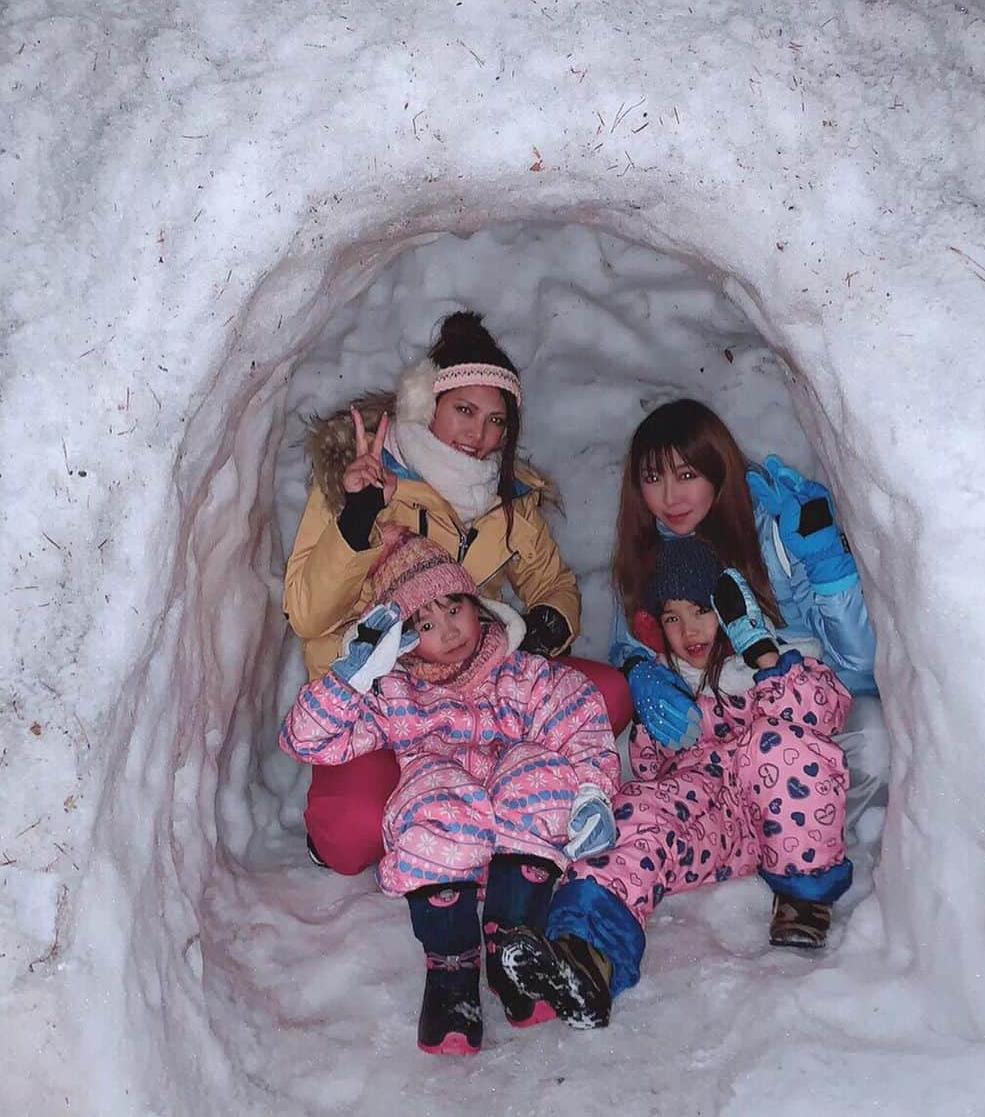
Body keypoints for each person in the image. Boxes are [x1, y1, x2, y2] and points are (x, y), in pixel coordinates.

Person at [283, 310, 632, 874]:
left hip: (475, 697)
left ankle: (490, 804)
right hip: (381, 704)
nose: (479, 436)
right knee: (348, 842)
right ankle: (422, 798)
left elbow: (553, 581)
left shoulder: (505, 497)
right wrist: (358, 521)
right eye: (464, 411)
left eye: (496, 420)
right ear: (426, 405)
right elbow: (306, 614)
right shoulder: (363, 477)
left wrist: (548, 622)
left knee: (608, 693)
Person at [279, 534, 621, 1054]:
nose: (450, 630)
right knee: (434, 792)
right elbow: (306, 740)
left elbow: (579, 720)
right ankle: (451, 975)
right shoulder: (395, 693)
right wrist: (349, 680)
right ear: (405, 639)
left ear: (476, 605)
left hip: (519, 845)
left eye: (454, 607)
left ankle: (515, 952)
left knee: (539, 768)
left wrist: (592, 792)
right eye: (425, 624)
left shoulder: (520, 670)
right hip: (444, 854)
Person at [498, 535, 853, 1029]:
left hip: (779, 815)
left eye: (701, 610)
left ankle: (804, 899)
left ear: (732, 611)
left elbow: (822, 712)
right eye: (671, 617)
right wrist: (655, 723)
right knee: (637, 811)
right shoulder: (667, 679)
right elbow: (650, 773)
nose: (688, 630)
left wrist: (764, 657)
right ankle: (585, 956)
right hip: (713, 824)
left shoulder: (777, 662)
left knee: (778, 746)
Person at [608, 400, 888, 896]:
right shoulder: (648, 555)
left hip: (793, 729)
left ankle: (802, 848)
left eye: (687, 473)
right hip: (708, 750)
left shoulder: (775, 532)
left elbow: (859, 669)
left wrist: (827, 566)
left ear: (719, 469)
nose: (670, 496)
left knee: (873, 737)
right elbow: (630, 642)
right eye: (653, 479)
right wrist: (637, 670)